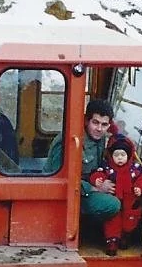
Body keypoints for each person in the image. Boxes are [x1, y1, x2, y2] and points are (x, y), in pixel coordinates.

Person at [47, 98, 120, 229]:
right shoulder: (68, 140)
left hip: (88, 184)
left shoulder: (100, 138)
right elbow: (59, 178)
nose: (99, 129)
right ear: (86, 120)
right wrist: (96, 188)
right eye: (95, 122)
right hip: (66, 193)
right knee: (112, 204)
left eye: (104, 124)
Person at [88, 134, 142, 255]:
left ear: (128, 155)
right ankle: (112, 242)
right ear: (111, 155)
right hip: (114, 198)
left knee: (130, 221)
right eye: (116, 155)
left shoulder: (135, 168)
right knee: (112, 220)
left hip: (130, 201)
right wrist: (97, 180)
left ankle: (125, 237)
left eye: (123, 155)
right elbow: (98, 174)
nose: (120, 158)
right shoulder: (107, 167)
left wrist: (139, 188)